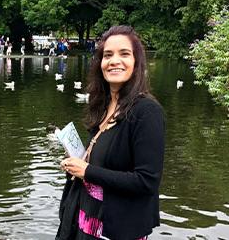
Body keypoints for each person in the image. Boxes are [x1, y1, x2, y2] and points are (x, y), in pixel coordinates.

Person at [56, 25, 165, 240]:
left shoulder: (147, 112)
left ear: (136, 62)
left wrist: (86, 171)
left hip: (117, 229)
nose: (114, 61)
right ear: (100, 64)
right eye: (107, 55)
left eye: (124, 54)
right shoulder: (104, 106)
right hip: (87, 220)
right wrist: (77, 164)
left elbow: (146, 181)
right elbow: (105, 162)